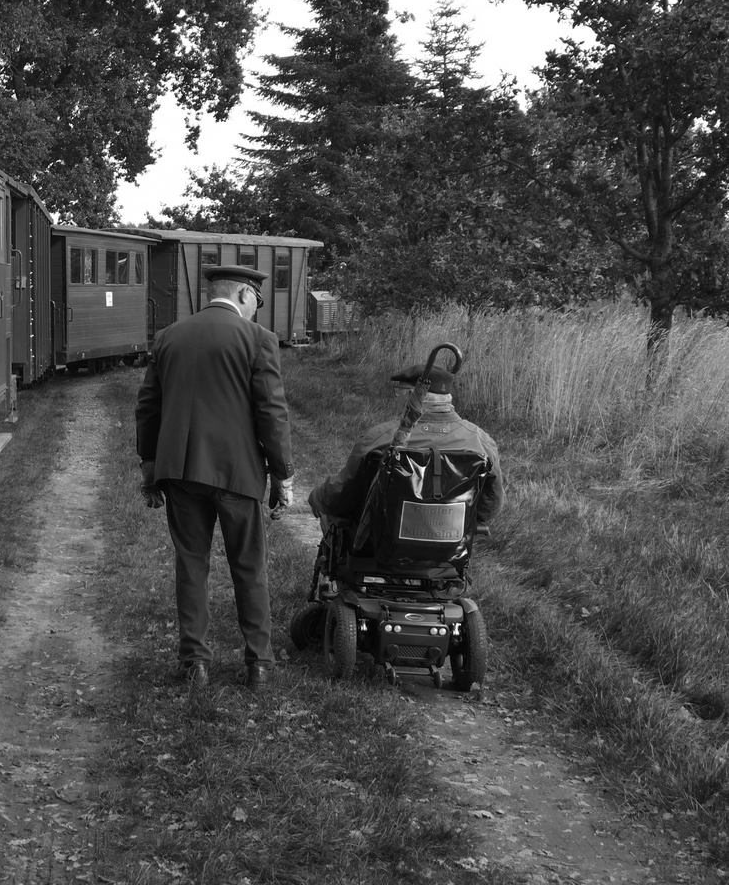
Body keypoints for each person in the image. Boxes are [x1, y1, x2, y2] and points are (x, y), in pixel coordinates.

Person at [135, 264, 294, 690]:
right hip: (237, 474)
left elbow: (148, 406)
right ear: (245, 295)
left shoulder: (169, 336)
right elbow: (271, 413)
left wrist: (150, 468)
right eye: (256, 303)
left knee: (191, 565)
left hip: (182, 472)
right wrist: (282, 476)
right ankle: (259, 664)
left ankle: (194, 665)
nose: (255, 311)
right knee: (249, 567)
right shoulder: (258, 340)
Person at [309, 363, 505, 538]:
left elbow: (344, 494)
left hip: (378, 545)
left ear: (412, 395)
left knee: (330, 515)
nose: (397, 398)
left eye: (399, 391)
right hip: (448, 551)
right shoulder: (481, 442)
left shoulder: (381, 437)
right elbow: (489, 506)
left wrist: (317, 496)